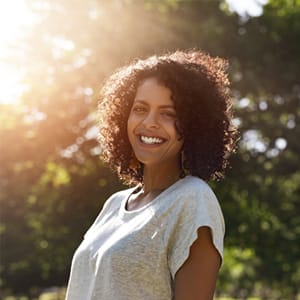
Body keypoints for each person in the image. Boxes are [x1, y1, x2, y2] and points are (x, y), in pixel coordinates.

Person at [65, 50, 238, 300]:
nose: (150, 122)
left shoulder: (193, 200)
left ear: (193, 125)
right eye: (140, 109)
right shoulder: (114, 205)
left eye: (168, 113)